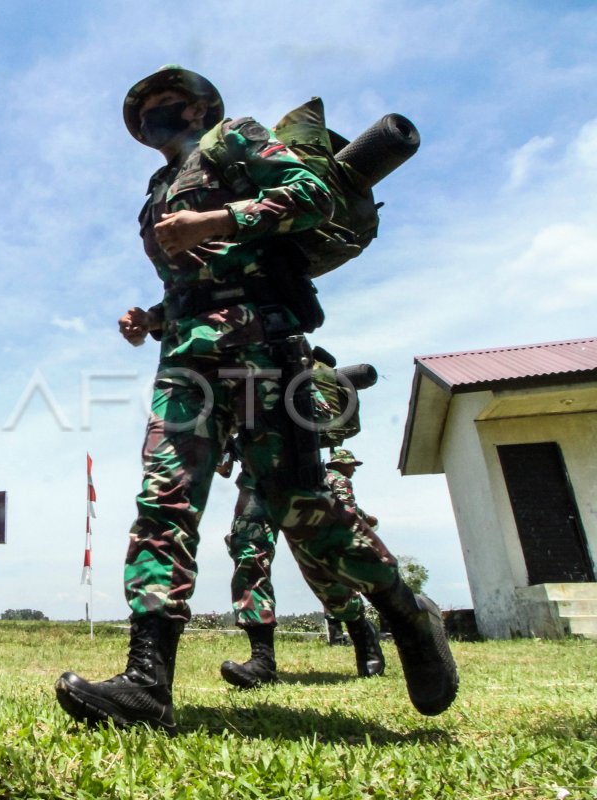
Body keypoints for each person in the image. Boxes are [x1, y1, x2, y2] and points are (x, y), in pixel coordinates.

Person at [54, 66, 457, 734]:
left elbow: (313, 196)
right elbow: (200, 275)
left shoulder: (235, 139)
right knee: (164, 498)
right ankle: (147, 683)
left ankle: (407, 612)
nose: (161, 114)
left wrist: (219, 216)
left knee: (305, 508)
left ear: (201, 106)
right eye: (147, 110)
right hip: (186, 358)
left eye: (171, 103)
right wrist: (151, 319)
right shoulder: (157, 189)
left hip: (262, 347)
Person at [218, 442, 384, 689]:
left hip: (304, 481)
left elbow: (335, 417)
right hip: (256, 484)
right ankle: (262, 660)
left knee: (323, 567)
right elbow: (222, 458)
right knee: (248, 558)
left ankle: (361, 630)